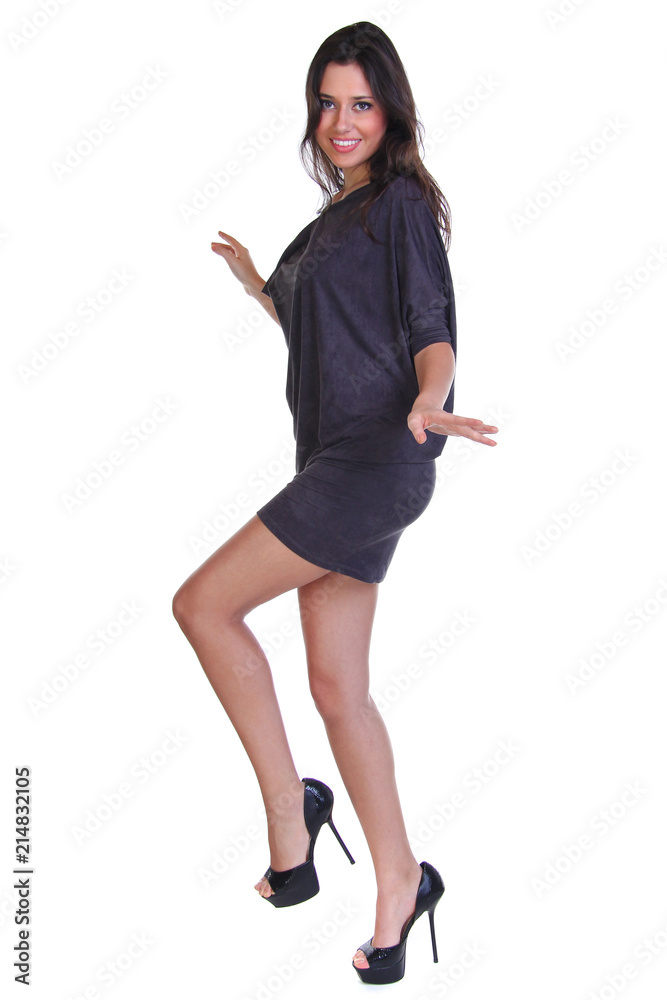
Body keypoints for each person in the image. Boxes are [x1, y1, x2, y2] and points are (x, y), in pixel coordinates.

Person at [172, 20, 498, 985]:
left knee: (202, 605)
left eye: (361, 103)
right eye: (327, 102)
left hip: (375, 459)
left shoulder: (400, 204)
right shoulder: (331, 220)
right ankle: (401, 878)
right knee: (336, 689)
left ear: (390, 110)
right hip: (336, 461)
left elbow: (429, 325)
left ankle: (292, 812)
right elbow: (325, 328)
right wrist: (257, 287)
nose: (341, 120)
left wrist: (431, 395)